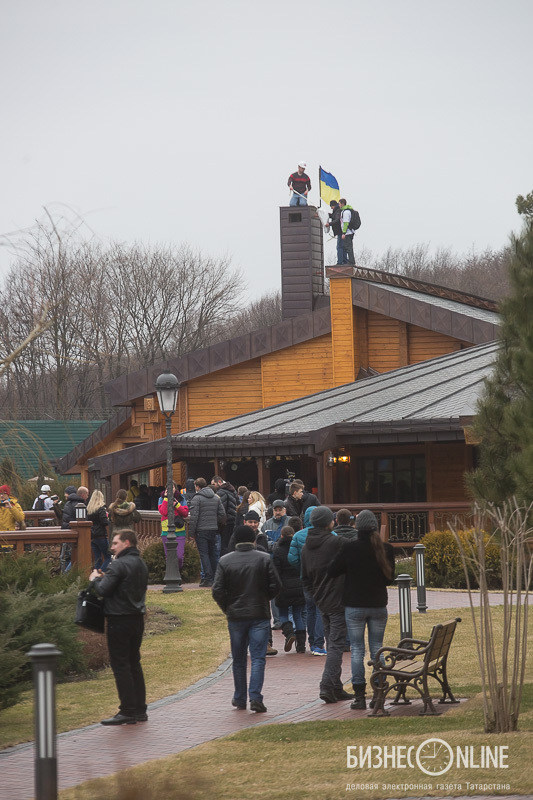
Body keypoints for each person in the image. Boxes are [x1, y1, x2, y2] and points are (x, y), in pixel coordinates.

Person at [328, 509, 395, 710]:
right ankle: (379, 689)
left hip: (354, 604)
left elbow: (332, 570)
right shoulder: (386, 549)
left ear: (356, 526)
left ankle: (359, 696)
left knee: (357, 649)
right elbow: (389, 579)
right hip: (377, 604)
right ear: (374, 527)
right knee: (377, 648)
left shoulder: (350, 548)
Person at [212, 525, 282, 712]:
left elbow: (217, 590)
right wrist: (264, 598)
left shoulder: (225, 561)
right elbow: (276, 585)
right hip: (259, 613)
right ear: (253, 540)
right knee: (258, 658)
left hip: (236, 615)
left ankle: (240, 697)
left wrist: (227, 607)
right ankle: (255, 696)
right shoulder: (264, 558)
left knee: (239, 658)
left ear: (235, 541)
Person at [90, 528, 149, 725]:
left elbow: (103, 590)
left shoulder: (119, 565)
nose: (112, 547)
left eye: (115, 543)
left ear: (127, 543)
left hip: (119, 619)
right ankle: (140, 709)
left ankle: (127, 710)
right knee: (134, 663)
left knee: (121, 665)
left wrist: (96, 579)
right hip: (136, 618)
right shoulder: (140, 564)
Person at [301, 506, 351, 704]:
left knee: (332, 643)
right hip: (338, 600)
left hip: (321, 601)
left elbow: (304, 578)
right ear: (328, 522)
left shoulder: (306, 547)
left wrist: (316, 595)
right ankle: (327, 685)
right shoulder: (335, 542)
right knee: (336, 645)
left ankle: (336, 687)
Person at [287, 507, 326, 656]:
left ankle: (312, 642)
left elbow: (292, 558)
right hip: (323, 579)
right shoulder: (330, 535)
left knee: (310, 609)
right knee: (320, 610)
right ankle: (318, 643)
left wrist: (302, 568)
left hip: (306, 578)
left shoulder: (298, 536)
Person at [273, 526, 307, 653]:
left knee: (282, 614)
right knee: (298, 615)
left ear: (281, 536)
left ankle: (289, 633)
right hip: (299, 585)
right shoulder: (299, 549)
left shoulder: (278, 551)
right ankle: (301, 646)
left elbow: (276, 571)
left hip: (283, 586)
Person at [188, 477, 226, 587]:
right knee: (213, 553)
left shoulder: (197, 498)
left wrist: (191, 533)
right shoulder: (216, 498)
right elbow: (222, 514)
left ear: (197, 486)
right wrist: (216, 523)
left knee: (204, 554)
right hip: (213, 529)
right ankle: (215, 577)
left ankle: (208, 577)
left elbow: (194, 518)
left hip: (201, 530)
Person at [158, 484, 189, 567]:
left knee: (179, 556)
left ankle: (178, 572)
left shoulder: (181, 498)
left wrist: (177, 505)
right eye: (168, 488)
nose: (171, 489)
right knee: (168, 556)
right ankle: (170, 575)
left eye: (172, 487)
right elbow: (163, 512)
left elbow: (185, 513)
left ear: (176, 488)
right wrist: (166, 498)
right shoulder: (161, 499)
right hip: (166, 531)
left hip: (179, 531)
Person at [211, 475, 238, 556]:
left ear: (219, 482)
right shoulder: (232, 490)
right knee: (230, 544)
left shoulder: (221, 492)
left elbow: (220, 509)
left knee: (223, 545)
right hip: (233, 520)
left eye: (213, 484)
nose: (213, 487)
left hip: (225, 522)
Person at [86, 489, 111, 571]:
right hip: (101, 535)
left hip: (93, 536)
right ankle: (100, 574)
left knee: (97, 558)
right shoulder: (101, 508)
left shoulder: (89, 509)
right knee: (108, 557)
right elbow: (104, 522)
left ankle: (95, 575)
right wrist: (108, 519)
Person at [339, 198, 359, 266]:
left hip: (348, 232)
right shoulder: (344, 211)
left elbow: (346, 223)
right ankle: (351, 260)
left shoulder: (346, 212)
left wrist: (343, 233)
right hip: (348, 232)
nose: (339, 205)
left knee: (348, 247)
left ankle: (351, 261)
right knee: (347, 246)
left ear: (342, 204)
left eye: (339, 204)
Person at [325, 200, 345, 265]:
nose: (331, 208)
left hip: (340, 232)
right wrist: (325, 213)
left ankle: (340, 262)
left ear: (333, 205)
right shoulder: (337, 211)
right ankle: (344, 261)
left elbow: (336, 220)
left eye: (331, 206)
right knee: (342, 246)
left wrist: (329, 224)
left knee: (339, 247)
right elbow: (333, 216)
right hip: (341, 232)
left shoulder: (337, 211)